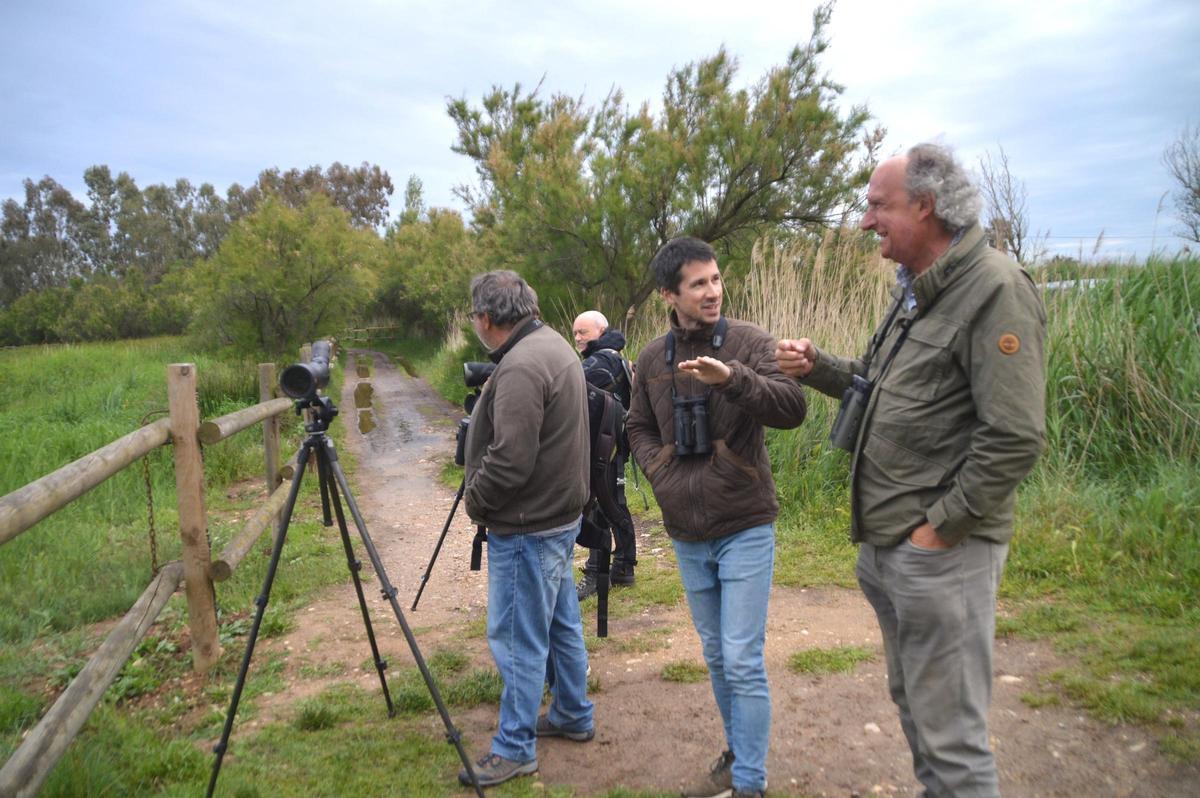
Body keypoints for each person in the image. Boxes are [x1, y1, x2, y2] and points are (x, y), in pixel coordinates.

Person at [776, 143, 1046, 797]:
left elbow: (1013, 436)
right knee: (918, 709)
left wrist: (939, 531)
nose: (866, 221)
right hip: (892, 544)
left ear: (925, 207)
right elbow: (881, 388)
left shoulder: (996, 291)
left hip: (939, 555)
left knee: (953, 738)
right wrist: (820, 367)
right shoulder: (916, 293)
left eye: (877, 206)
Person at [626, 237, 807, 798]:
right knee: (715, 655)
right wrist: (663, 472)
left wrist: (732, 379)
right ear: (669, 294)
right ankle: (735, 757)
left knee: (742, 656)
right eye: (698, 283)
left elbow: (793, 408)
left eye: (717, 280)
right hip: (686, 530)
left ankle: (749, 783)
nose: (712, 292)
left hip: (745, 522)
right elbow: (637, 426)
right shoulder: (653, 358)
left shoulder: (750, 341)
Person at [459, 270, 595, 788]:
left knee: (516, 637)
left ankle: (514, 747)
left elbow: (511, 461)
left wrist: (476, 501)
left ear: (487, 318)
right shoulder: (555, 344)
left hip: (528, 525)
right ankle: (572, 713)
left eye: (475, 317)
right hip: (558, 518)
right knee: (561, 623)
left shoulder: (519, 366)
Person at [571, 309, 636, 600]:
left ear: (600, 331)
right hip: (612, 446)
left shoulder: (601, 362)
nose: (577, 338)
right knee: (610, 506)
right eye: (574, 333)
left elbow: (578, 397)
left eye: (582, 333)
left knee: (606, 507)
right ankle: (621, 568)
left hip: (605, 449)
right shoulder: (615, 357)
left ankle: (602, 573)